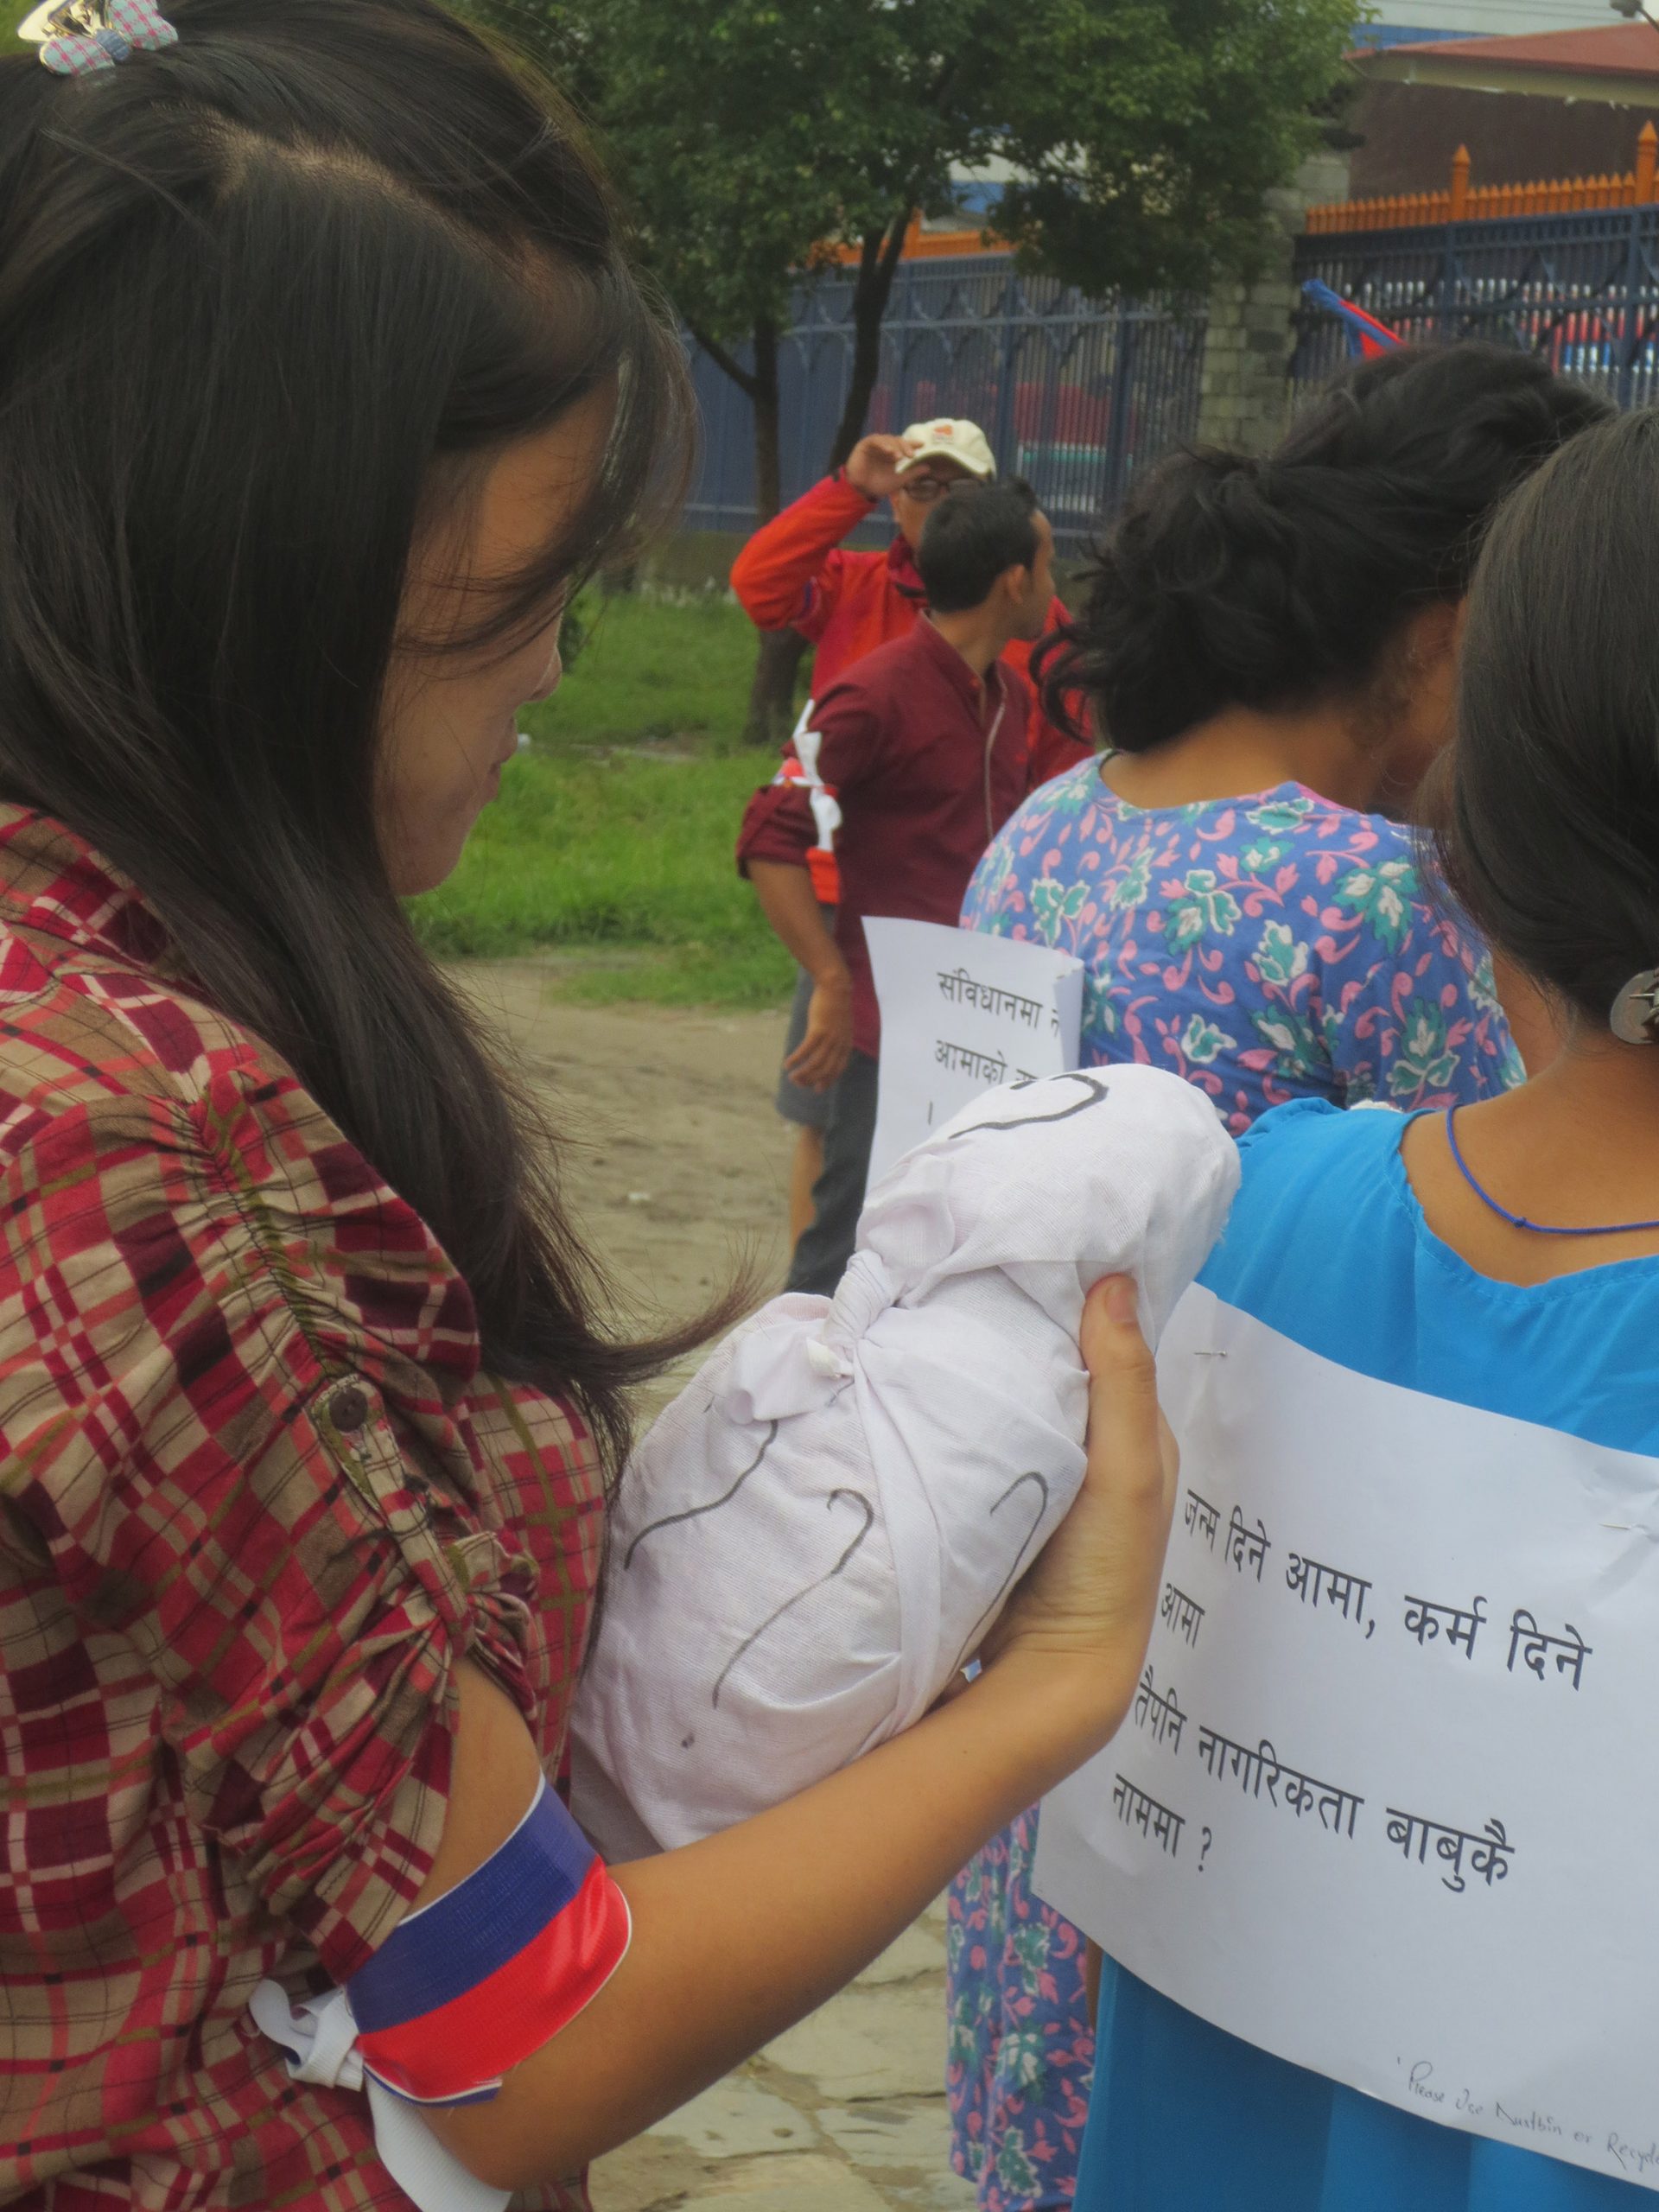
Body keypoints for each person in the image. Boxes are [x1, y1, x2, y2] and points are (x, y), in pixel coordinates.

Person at [0, 3, 1179, 2204]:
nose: (553, 667)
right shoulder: (109, 1142)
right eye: (524, 593)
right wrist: (1059, 1673)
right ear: (257, 571)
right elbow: (508, 2032)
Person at [948, 343, 1611, 2212]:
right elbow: (1511, 1257)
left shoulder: (1055, 823)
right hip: (1294, 1664)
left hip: (1048, 1610)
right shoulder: (1384, 898)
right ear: (1473, 615)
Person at [732, 421, 1087, 1251]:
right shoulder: (874, 652)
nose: (936, 507)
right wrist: (830, 974)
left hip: (976, 984)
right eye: (917, 488)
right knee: (844, 1202)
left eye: (957, 491)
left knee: (951, 1203)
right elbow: (770, 826)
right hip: (869, 969)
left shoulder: (1009, 678)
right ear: (1013, 577)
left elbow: (1054, 799)